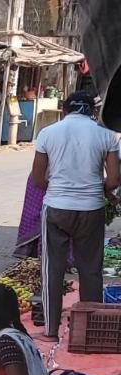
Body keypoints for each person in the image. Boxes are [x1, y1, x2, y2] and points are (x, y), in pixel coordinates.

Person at [32, 90, 120, 339]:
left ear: (65, 110)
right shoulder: (106, 135)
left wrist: (60, 190)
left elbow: (38, 178)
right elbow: (113, 179)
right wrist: (98, 189)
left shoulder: (48, 133)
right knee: (90, 270)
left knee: (53, 269)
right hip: (91, 209)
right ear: (93, 111)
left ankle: (50, 330)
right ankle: (90, 332)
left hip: (57, 208)